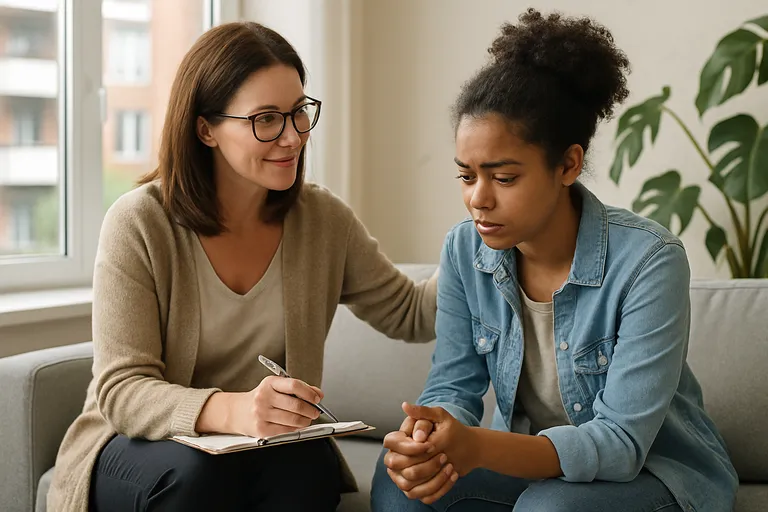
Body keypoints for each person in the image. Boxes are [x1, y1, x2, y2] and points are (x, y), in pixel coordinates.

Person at [47, 21, 437, 512]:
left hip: (260, 447)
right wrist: (231, 409)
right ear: (206, 128)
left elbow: (410, 311)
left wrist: (485, 235)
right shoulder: (139, 223)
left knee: (310, 466)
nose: (293, 137)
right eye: (266, 119)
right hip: (141, 444)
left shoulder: (322, 220)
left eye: (299, 113)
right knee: (194, 475)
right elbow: (122, 392)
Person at [372, 8, 737, 512]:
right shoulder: (463, 251)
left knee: (551, 508)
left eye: (503, 178)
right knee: (398, 482)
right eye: (466, 176)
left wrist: (477, 446)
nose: (478, 198)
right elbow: (454, 386)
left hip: (653, 476)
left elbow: (620, 446)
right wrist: (429, 435)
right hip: (531, 475)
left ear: (568, 164)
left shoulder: (650, 261)